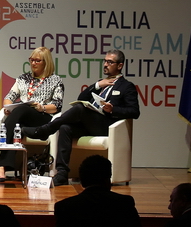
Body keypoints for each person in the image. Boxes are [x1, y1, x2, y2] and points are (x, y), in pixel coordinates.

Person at [25, 49, 139, 186]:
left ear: (119, 66)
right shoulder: (101, 84)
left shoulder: (127, 86)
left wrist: (113, 109)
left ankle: (45, 130)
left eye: (110, 62)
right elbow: (81, 98)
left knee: (79, 109)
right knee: (65, 127)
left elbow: (134, 111)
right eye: (105, 61)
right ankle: (62, 173)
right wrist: (97, 85)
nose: (105, 64)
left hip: (108, 126)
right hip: (91, 125)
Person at [0, 46, 63, 183]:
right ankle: (2, 167)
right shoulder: (23, 78)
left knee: (22, 109)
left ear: (46, 62)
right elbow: (9, 97)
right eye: (31, 60)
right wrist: (8, 107)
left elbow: (57, 105)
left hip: (42, 117)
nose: (33, 63)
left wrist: (42, 107)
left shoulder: (55, 80)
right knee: (17, 126)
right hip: (21, 117)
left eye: (37, 60)